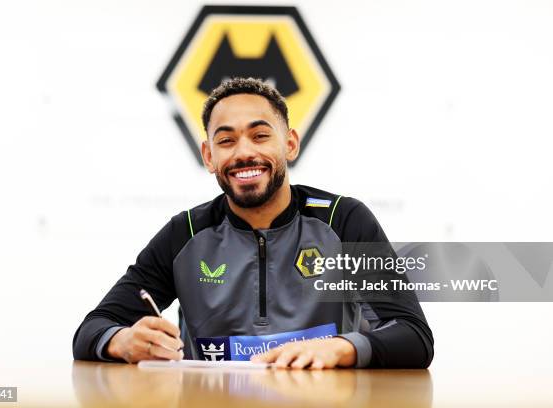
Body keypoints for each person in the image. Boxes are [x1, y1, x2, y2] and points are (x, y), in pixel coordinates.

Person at [72, 77, 434, 369]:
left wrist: (341, 349)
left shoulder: (344, 220)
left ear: (289, 144)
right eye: (226, 140)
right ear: (209, 156)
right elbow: (92, 329)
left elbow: (413, 337)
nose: (244, 152)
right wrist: (122, 341)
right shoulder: (185, 233)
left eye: (260, 135)